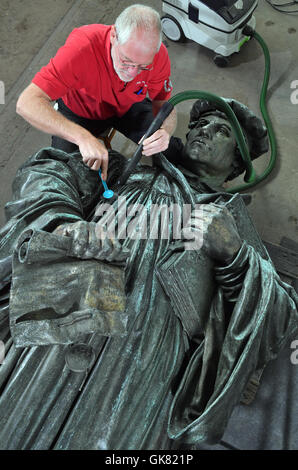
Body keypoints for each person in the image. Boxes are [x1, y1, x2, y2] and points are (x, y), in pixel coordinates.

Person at [0, 98, 297, 450]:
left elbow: (278, 315)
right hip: (72, 309)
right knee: (16, 417)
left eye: (221, 131)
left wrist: (234, 256)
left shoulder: (229, 223)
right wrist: (63, 221)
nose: (203, 131)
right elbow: (46, 171)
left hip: (144, 354)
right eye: (200, 125)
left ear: (236, 161)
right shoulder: (125, 172)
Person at [15, 4, 177, 180]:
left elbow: (163, 104)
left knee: (171, 149)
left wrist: (166, 131)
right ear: (114, 36)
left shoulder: (158, 56)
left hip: (126, 106)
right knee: (63, 175)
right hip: (79, 112)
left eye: (142, 67)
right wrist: (82, 137)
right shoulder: (81, 48)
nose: (131, 73)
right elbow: (26, 103)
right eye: (126, 61)